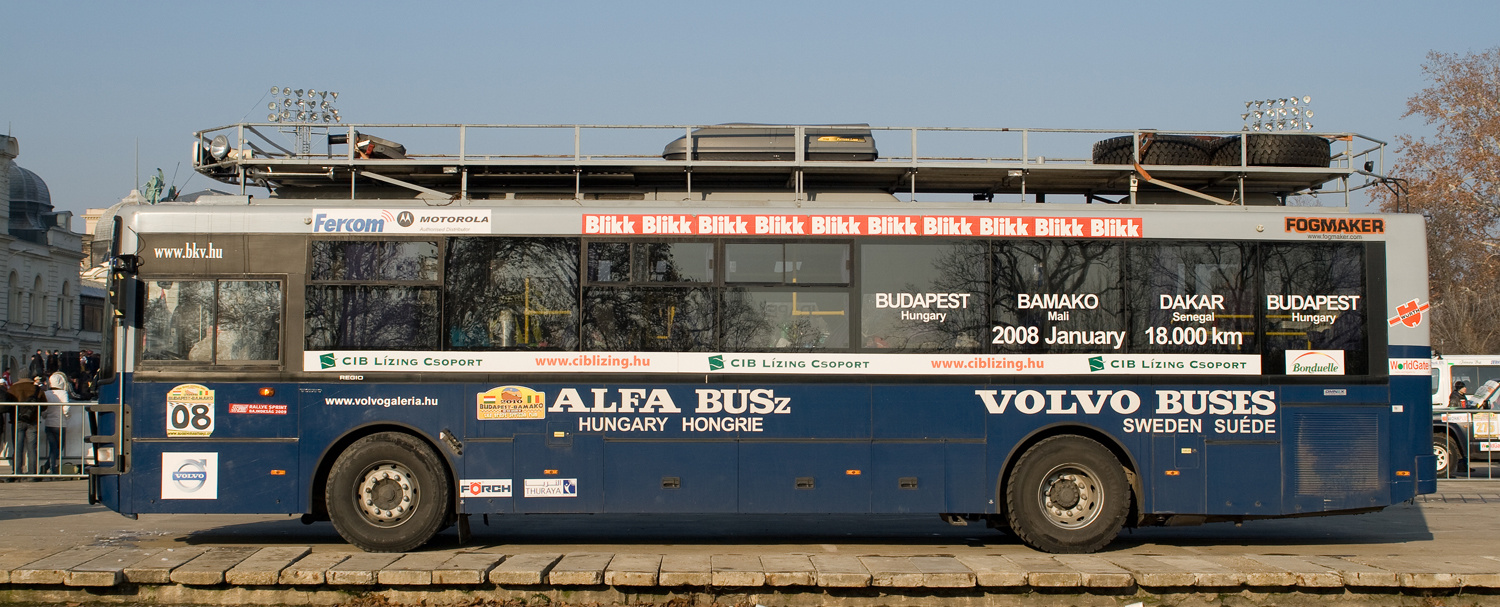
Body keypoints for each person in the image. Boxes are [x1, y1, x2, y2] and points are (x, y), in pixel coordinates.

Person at [41, 372, 71, 476]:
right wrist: (66, 416)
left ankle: (47, 466)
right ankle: (52, 468)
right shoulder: (63, 393)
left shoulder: (46, 393)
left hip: (49, 423)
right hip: (60, 424)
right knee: (59, 447)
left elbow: (44, 410)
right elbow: (66, 408)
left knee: (52, 446)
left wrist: (45, 416)